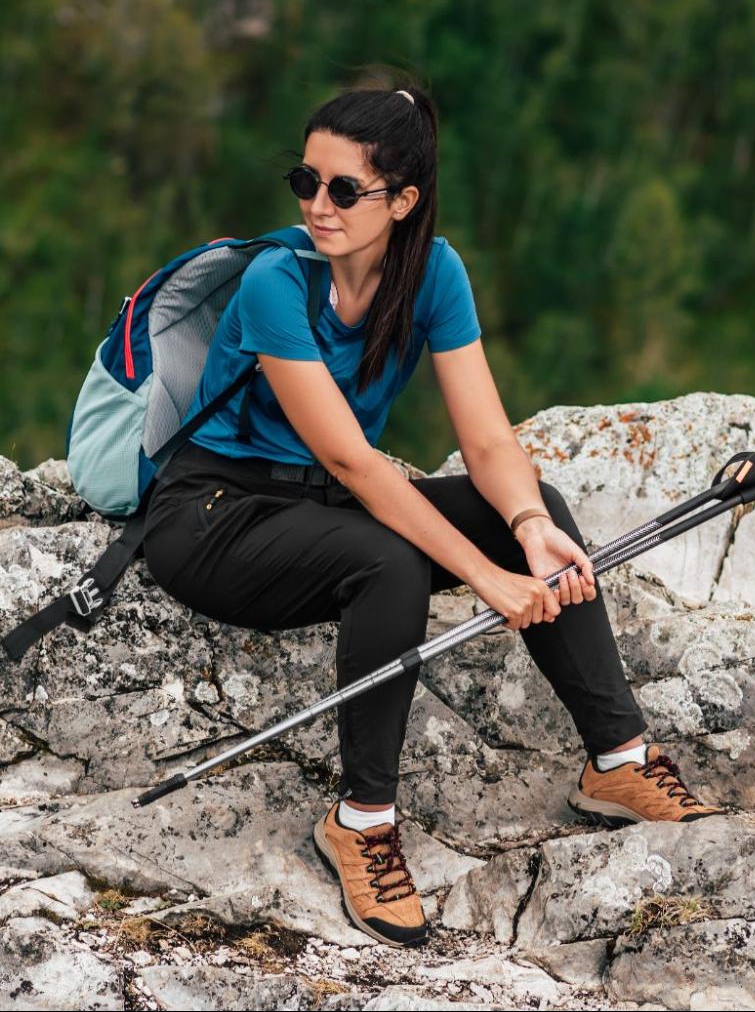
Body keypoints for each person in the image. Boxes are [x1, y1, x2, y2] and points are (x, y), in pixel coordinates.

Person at [139, 76, 724, 950]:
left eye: (344, 189)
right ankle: (361, 820)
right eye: (305, 182)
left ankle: (618, 763)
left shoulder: (434, 272)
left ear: (403, 200)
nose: (318, 205)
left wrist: (524, 528)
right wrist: (487, 581)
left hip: (323, 505)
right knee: (391, 561)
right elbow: (352, 461)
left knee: (538, 507)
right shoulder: (275, 284)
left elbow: (487, 443)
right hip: (215, 513)